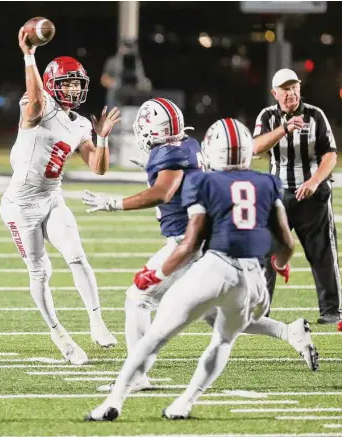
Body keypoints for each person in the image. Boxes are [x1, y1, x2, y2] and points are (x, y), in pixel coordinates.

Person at [82, 104, 318, 392]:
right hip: (207, 241)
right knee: (214, 315)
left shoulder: (167, 153)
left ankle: (136, 377)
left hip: (187, 241)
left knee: (138, 299)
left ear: (152, 129)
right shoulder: (188, 144)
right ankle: (289, 331)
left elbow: (163, 192)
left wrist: (113, 203)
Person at [0, 27, 120, 365]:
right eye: (67, 82)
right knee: (40, 271)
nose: (74, 89)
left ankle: (97, 321)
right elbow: (36, 103)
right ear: (52, 82)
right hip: (20, 205)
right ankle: (61, 336)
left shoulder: (81, 123)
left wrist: (103, 137)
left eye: (78, 84)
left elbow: (98, 166)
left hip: (52, 198)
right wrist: (29, 55)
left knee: (77, 256)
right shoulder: (36, 103)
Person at [253, 68, 341, 324]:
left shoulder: (315, 115)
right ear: (275, 93)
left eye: (294, 87)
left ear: (300, 88)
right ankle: (260, 313)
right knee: (266, 253)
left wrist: (314, 182)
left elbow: (330, 154)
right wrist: (284, 128)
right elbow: (256, 147)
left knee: (322, 252)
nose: (291, 93)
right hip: (278, 196)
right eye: (285, 89)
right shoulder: (268, 116)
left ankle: (332, 311)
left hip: (312, 195)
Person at [100, 37, 152, 109]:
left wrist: (144, 83)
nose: (129, 49)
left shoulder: (137, 62)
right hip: (116, 96)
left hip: (131, 95)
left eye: (131, 46)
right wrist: (113, 84)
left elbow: (141, 77)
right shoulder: (112, 61)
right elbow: (103, 79)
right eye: (126, 46)